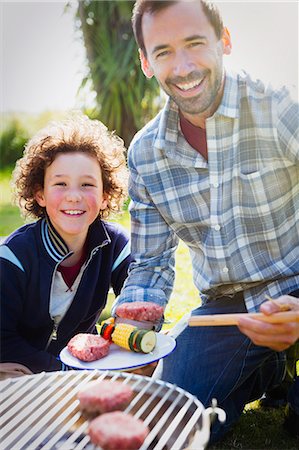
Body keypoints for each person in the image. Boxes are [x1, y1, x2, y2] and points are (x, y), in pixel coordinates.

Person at [114, 0, 299, 442]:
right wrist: (132, 337)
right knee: (165, 420)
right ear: (145, 62)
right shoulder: (144, 155)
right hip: (226, 309)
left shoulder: (280, 107)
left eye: (195, 43)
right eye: (163, 52)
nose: (183, 66)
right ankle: (268, 367)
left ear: (225, 41)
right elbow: (149, 264)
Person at [0, 114, 132, 377]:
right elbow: (3, 341)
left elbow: (138, 302)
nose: (74, 196)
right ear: (40, 194)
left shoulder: (115, 245)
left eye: (87, 185)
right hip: (23, 364)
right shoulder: (13, 256)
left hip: (79, 365)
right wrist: (64, 370)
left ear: (105, 196)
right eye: (60, 184)